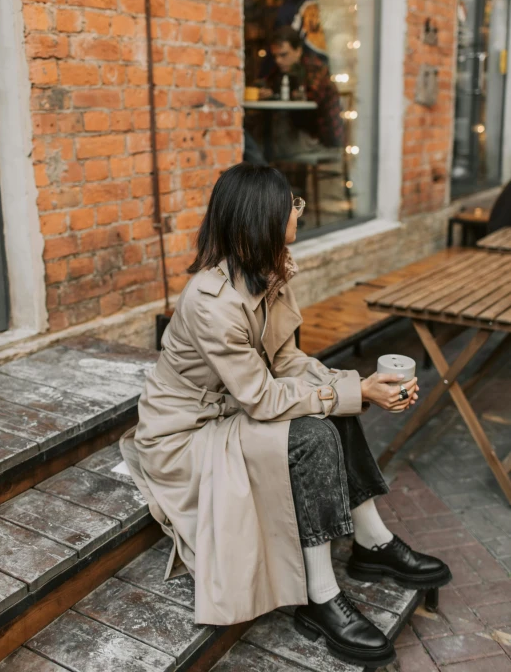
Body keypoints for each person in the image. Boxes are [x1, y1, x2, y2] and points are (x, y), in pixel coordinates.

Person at [120, 164, 451, 669]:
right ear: (263, 219)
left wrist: (349, 386)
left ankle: (372, 541)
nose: (298, 207)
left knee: (333, 403)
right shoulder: (213, 304)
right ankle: (319, 596)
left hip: (238, 408)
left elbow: (286, 361)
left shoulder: (268, 273)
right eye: (290, 202)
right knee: (313, 433)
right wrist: (351, 389)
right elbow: (263, 399)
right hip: (189, 434)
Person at [259, 26, 343, 157]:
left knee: (261, 147)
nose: (278, 60)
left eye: (283, 55)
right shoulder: (280, 70)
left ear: (298, 51)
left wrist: (279, 93)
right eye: (275, 56)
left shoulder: (314, 68)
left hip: (319, 139)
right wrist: (266, 92)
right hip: (297, 134)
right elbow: (267, 83)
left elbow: (310, 97)